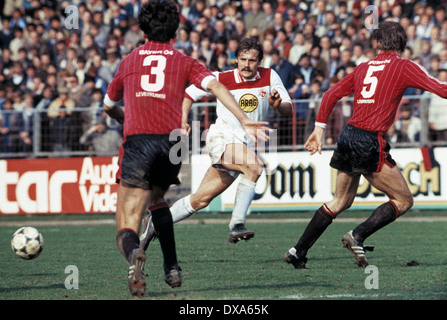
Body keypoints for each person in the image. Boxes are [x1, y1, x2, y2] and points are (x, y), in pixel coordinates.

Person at [103, 0, 271, 298]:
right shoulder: (184, 60)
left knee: (126, 225)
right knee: (159, 201)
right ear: (175, 31)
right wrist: (245, 119)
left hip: (138, 143)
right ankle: (172, 267)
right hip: (172, 144)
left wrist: (126, 118)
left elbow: (108, 105)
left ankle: (134, 257)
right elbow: (217, 87)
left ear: (142, 30)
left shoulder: (129, 60)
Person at [284, 21, 447, 270]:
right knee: (403, 201)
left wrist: (319, 129)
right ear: (403, 44)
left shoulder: (363, 67)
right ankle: (358, 235)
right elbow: (441, 89)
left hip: (348, 136)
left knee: (340, 201)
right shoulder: (404, 66)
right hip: (369, 140)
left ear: (378, 43)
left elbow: (329, 95)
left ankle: (298, 251)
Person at [139, 37, 292, 250]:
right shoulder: (221, 78)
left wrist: (278, 105)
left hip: (243, 147)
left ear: (260, 61)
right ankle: (237, 223)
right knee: (255, 166)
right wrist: (182, 120)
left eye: (252, 60)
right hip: (221, 139)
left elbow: (287, 108)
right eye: (242, 59)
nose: (246, 65)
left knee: (200, 201)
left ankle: (154, 224)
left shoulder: (270, 77)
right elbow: (188, 93)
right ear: (235, 60)